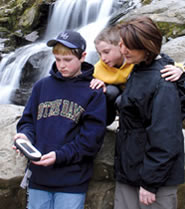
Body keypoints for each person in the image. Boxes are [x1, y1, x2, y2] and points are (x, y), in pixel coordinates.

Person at [13, 30, 107, 209]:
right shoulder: (42, 86)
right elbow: (27, 121)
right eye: (57, 59)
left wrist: (59, 156)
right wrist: (24, 137)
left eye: (68, 60)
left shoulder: (93, 92)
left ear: (83, 57)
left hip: (71, 181)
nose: (61, 65)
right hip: (39, 176)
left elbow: (91, 141)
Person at [114, 16, 184, 209]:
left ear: (147, 47)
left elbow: (166, 137)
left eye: (128, 46)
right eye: (121, 43)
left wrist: (150, 183)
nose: (122, 50)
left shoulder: (162, 81)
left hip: (151, 182)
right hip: (131, 172)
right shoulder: (140, 69)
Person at [90, 24, 185, 125]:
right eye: (99, 54)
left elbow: (168, 63)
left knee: (122, 101)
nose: (103, 58)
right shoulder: (101, 66)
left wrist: (179, 69)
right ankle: (104, 121)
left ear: (121, 46)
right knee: (109, 91)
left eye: (106, 52)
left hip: (137, 96)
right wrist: (96, 81)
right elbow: (89, 77)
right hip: (122, 92)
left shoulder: (133, 58)